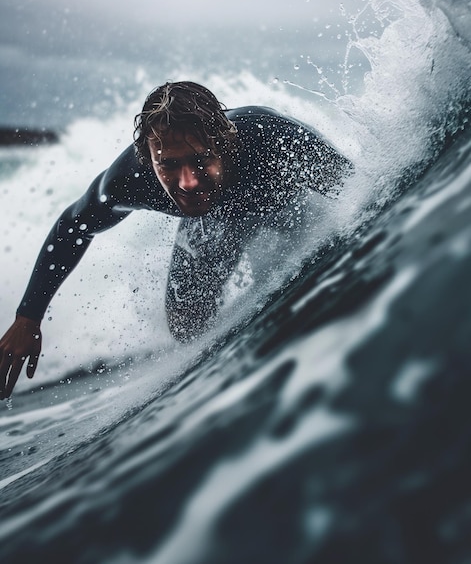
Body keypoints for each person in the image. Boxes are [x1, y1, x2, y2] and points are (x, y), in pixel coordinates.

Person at [0, 81, 353, 399]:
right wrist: (28, 317)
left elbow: (358, 191)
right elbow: (72, 226)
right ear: (148, 159)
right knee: (186, 324)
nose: (188, 182)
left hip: (287, 204)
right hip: (213, 221)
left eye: (201, 160)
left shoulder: (270, 135)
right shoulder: (129, 180)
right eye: (168, 165)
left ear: (224, 143)